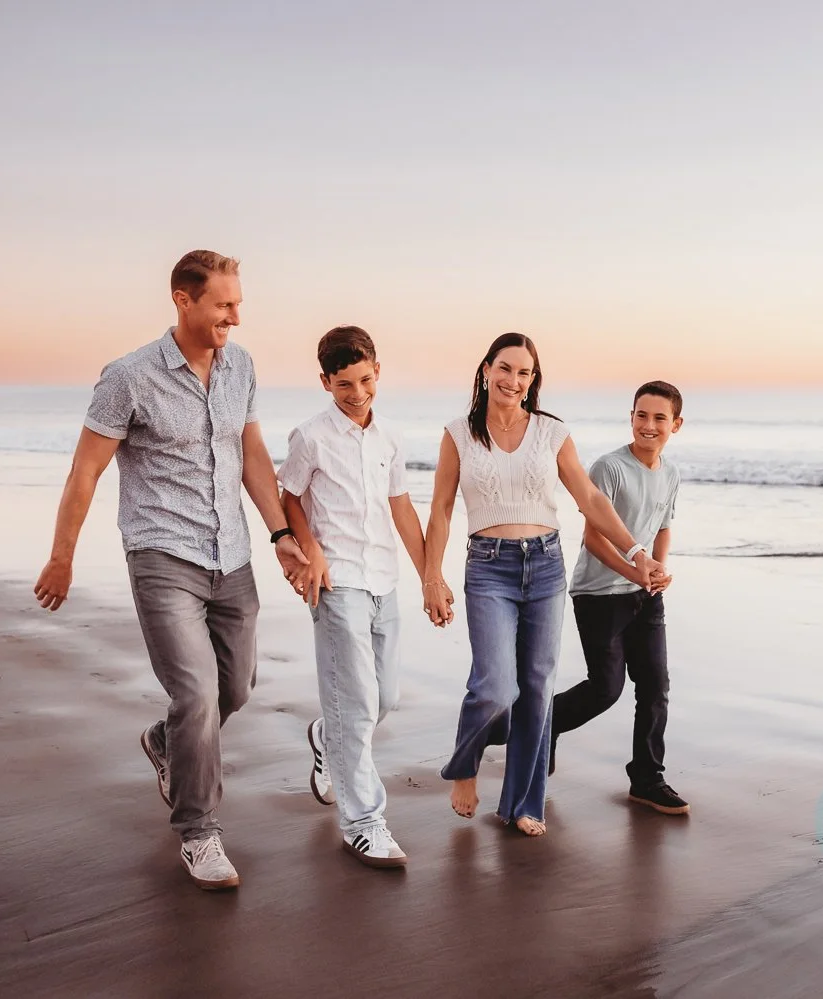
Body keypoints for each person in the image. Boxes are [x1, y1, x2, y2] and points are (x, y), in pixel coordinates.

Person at [31, 250, 307, 891]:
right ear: (183, 301)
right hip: (162, 553)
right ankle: (200, 833)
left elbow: (253, 453)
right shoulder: (128, 377)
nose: (235, 317)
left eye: (238, 303)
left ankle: (164, 740)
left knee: (234, 688)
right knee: (198, 693)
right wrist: (61, 556)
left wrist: (281, 534)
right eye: (224, 305)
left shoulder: (241, 366)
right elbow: (85, 472)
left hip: (231, 552)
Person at [423, 333, 656, 837]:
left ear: (534, 379)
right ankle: (464, 767)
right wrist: (431, 575)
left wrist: (636, 550)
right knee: (494, 686)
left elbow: (590, 499)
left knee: (537, 688)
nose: (513, 381)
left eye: (525, 373)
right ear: (486, 369)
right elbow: (441, 510)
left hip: (546, 565)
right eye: (505, 369)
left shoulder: (552, 432)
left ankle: (524, 803)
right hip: (488, 566)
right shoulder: (459, 432)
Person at [276, 326, 447, 869]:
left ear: (379, 371)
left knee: (384, 698)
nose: (357, 393)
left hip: (384, 580)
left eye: (366, 380)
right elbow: (289, 498)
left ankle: (327, 735)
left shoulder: (391, 438)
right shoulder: (310, 437)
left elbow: (401, 508)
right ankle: (363, 823)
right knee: (357, 705)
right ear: (325, 381)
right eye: (344, 383)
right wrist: (311, 551)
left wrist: (430, 577)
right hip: (336, 582)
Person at [551, 380, 690, 815]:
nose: (648, 426)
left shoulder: (670, 473)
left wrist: (658, 570)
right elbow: (593, 538)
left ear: (676, 424)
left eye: (659, 418)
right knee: (604, 689)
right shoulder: (608, 468)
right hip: (598, 594)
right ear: (631, 417)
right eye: (641, 415)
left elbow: (663, 525)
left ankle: (647, 779)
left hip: (644, 593)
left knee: (655, 686)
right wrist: (638, 570)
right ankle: (538, 727)